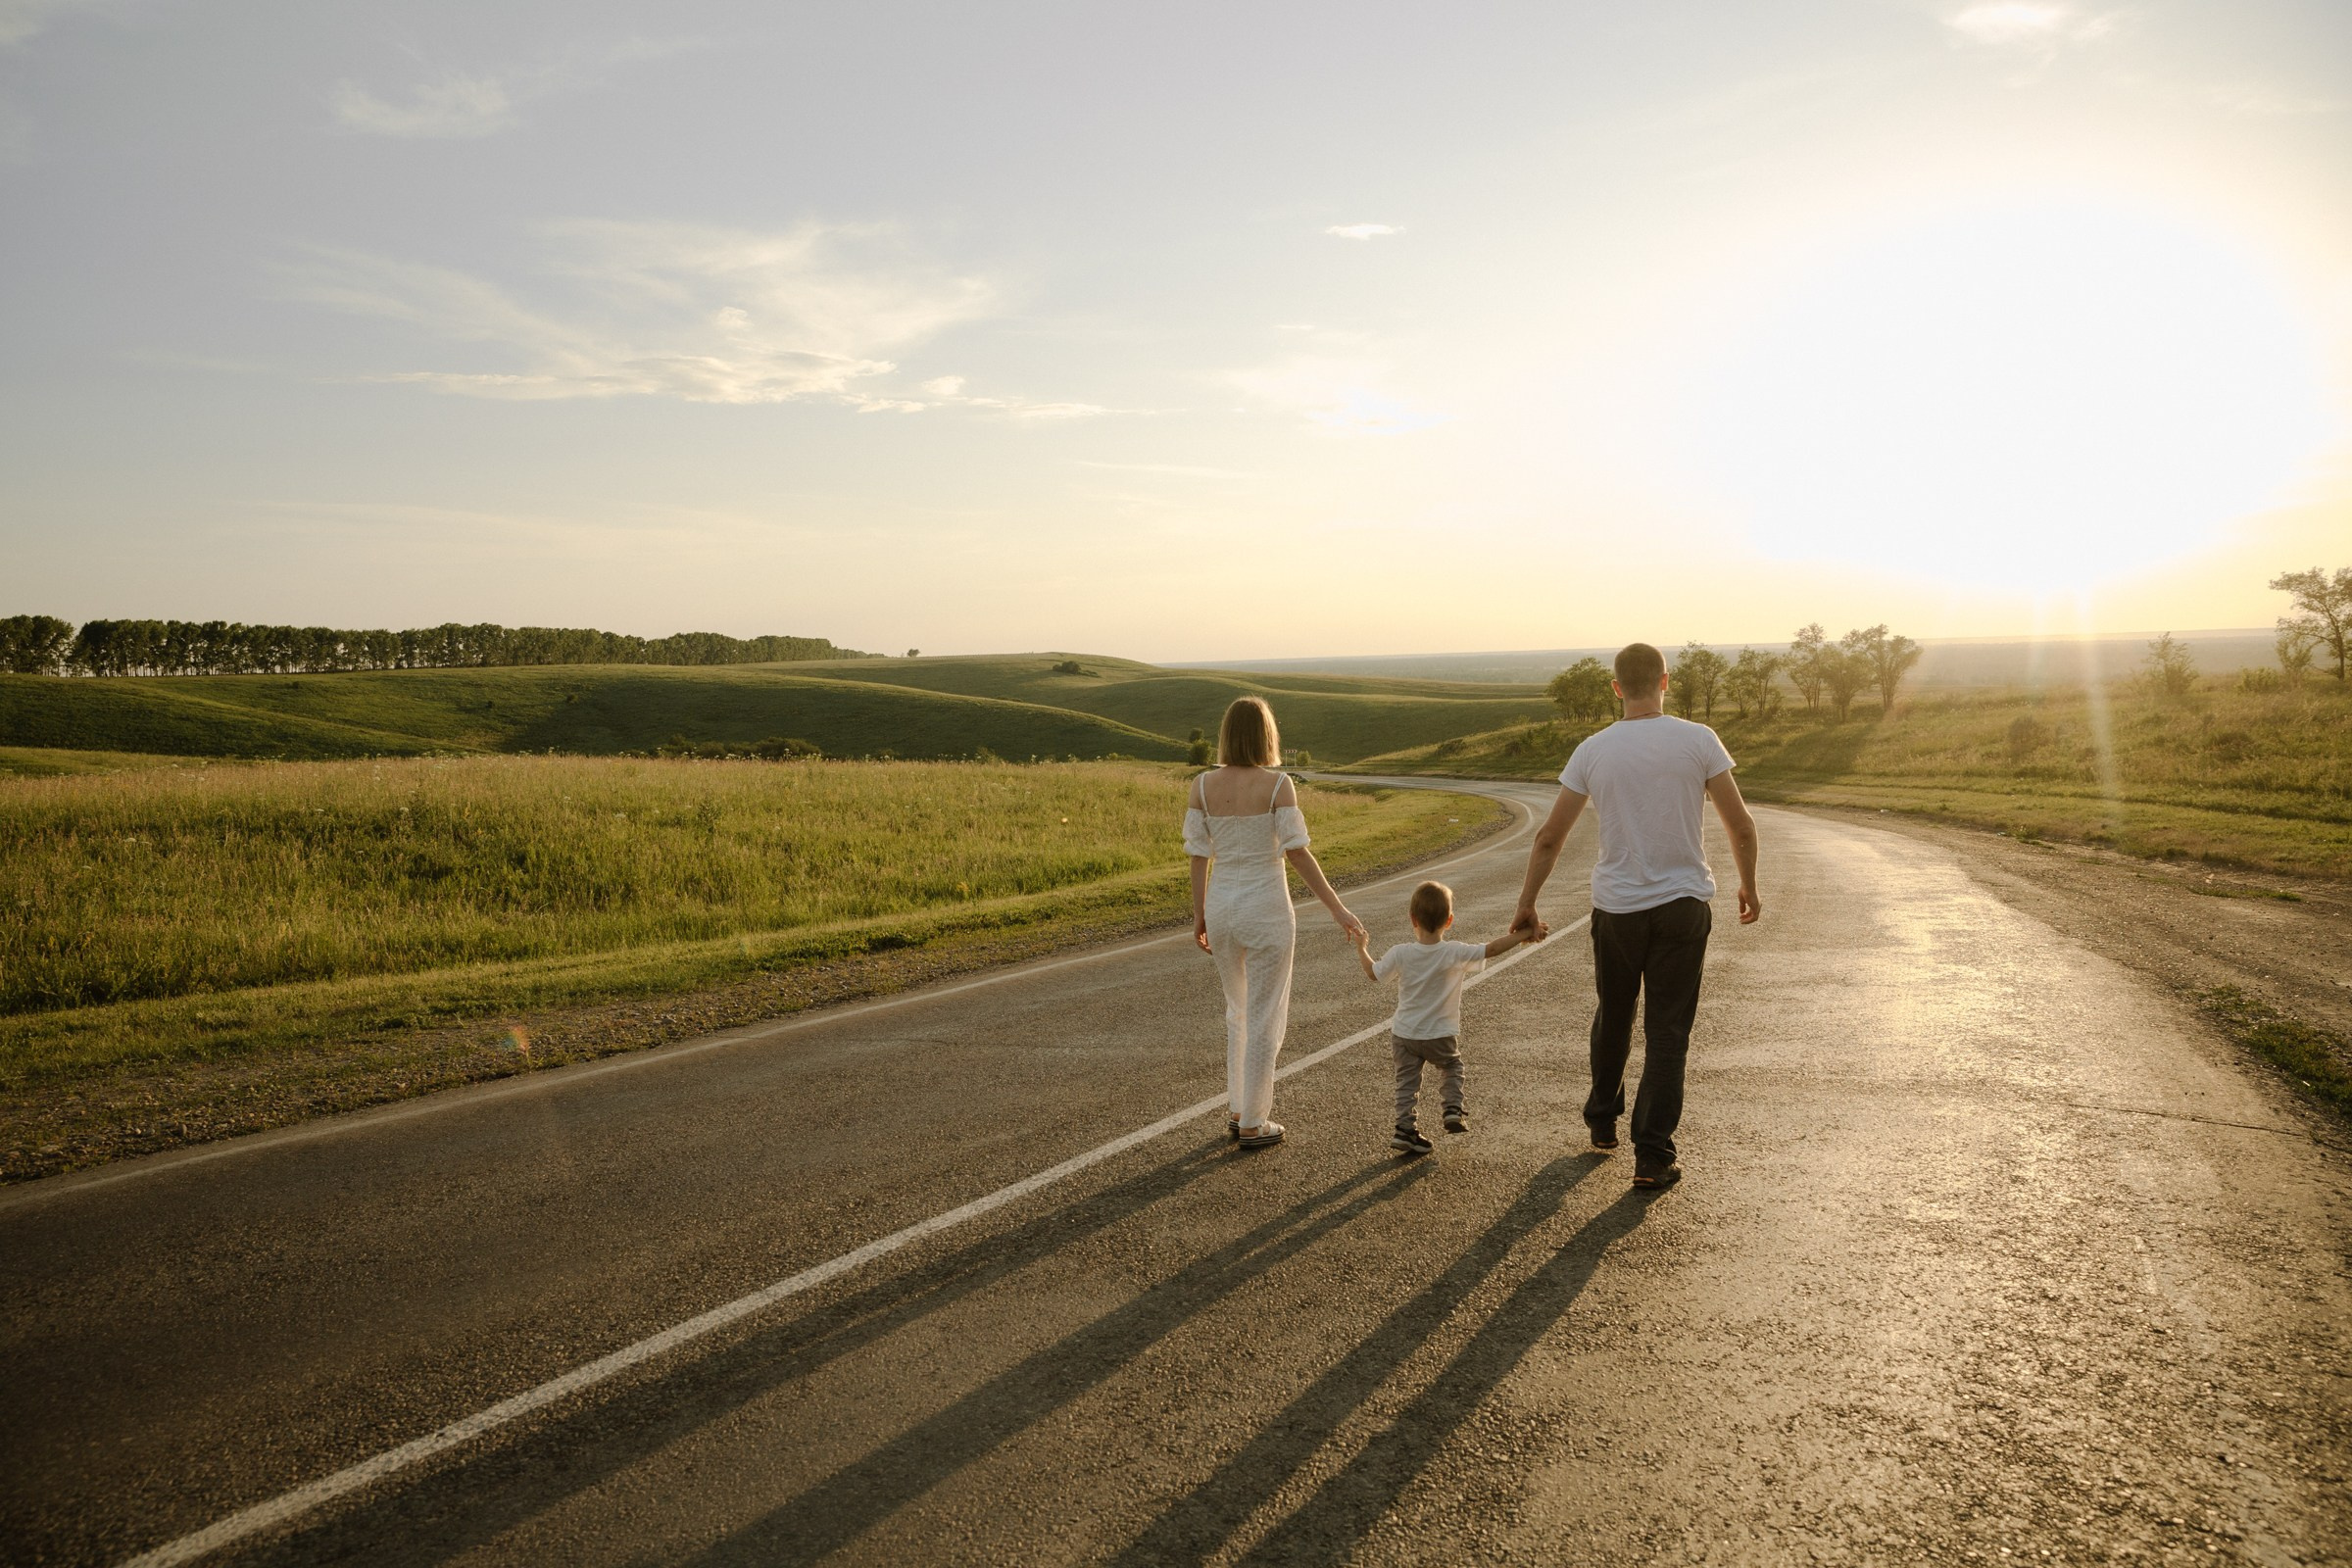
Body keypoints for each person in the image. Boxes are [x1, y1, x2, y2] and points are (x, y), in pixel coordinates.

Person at [1511, 642, 1761, 1191]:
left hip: (1617, 910)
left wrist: (1527, 901)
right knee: (1668, 1032)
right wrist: (1748, 883)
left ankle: (1602, 1119)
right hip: (1683, 906)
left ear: (1616, 687)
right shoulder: (1699, 740)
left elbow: (1550, 837)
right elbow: (1741, 825)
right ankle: (1652, 1155)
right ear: (1665, 681)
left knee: (1614, 1013)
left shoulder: (1593, 750)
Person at [1186, 696, 1365, 1149]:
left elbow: (1199, 855)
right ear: (1267, 735)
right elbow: (1297, 853)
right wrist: (1337, 909)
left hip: (1222, 907)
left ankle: (1238, 1109)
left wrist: (1200, 913)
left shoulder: (1202, 786)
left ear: (1227, 734)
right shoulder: (1278, 785)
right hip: (1266, 908)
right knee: (1265, 1016)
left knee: (1238, 1011)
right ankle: (1253, 1121)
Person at [1351, 879, 1544, 1157]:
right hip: (1439, 1034)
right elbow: (1492, 948)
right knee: (1452, 1067)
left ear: (1412, 919)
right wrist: (1524, 932)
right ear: (1449, 920)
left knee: (1406, 1083)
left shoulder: (1400, 953)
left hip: (1404, 1034)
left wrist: (1361, 947)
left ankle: (1405, 1129)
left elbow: (1373, 973)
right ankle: (1452, 1108)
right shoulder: (1454, 952)